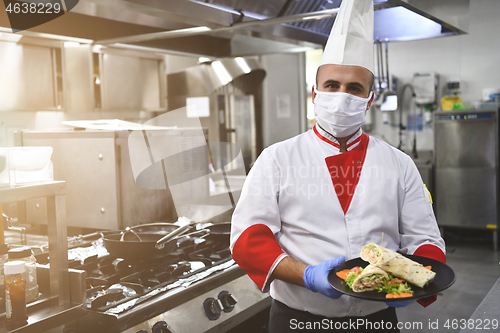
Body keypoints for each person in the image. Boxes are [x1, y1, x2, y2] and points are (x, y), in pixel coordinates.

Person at [230, 0, 445, 331]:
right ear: (314, 93)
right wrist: (306, 275)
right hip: (297, 320)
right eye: (332, 86)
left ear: (369, 100)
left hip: (377, 321)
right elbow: (247, 238)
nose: (342, 95)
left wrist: (422, 277)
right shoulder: (277, 159)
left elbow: (425, 237)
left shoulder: (399, 164)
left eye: (354, 88)